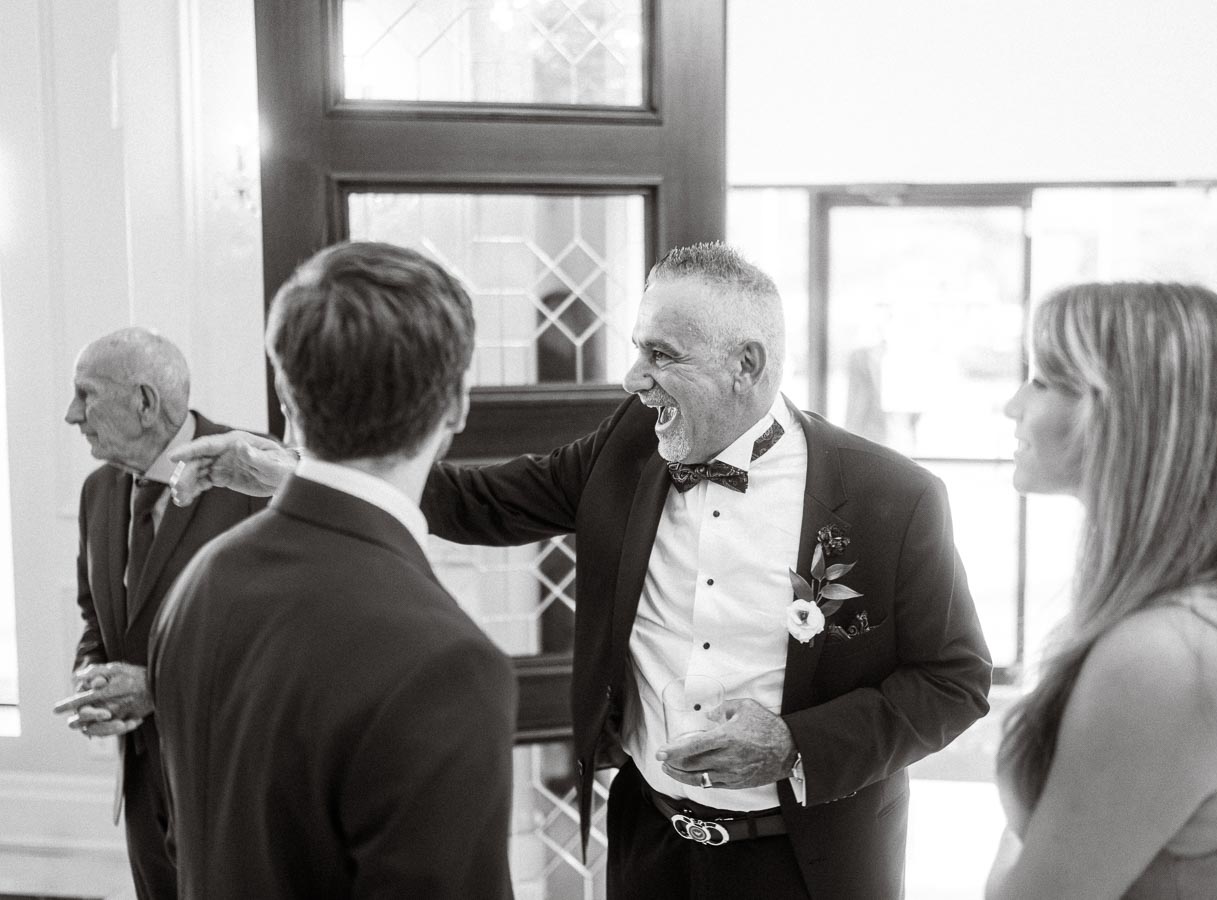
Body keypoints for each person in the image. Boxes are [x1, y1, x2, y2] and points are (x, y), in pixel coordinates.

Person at [168, 241, 993, 899]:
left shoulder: (893, 497)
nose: (633, 379)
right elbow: (478, 501)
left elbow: (955, 680)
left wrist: (794, 745)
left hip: (808, 864)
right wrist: (293, 469)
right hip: (648, 847)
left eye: (662, 356)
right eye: (638, 349)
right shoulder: (627, 446)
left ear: (747, 365)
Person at [147, 242, 517, 898]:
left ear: (288, 396)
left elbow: (190, 839)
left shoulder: (199, 584)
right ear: (457, 403)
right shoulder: (448, 662)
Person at [987, 282, 1217, 899]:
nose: (1013, 406)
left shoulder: (1168, 657)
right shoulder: (1209, 617)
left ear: (1122, 416)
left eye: (1042, 380)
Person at [54, 327, 267, 900]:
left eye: (86, 394)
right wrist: (94, 677)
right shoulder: (97, 491)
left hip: (235, 785)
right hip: (145, 785)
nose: (72, 415)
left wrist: (156, 687)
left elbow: (284, 644)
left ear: (145, 402)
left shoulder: (261, 474)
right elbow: (96, 616)